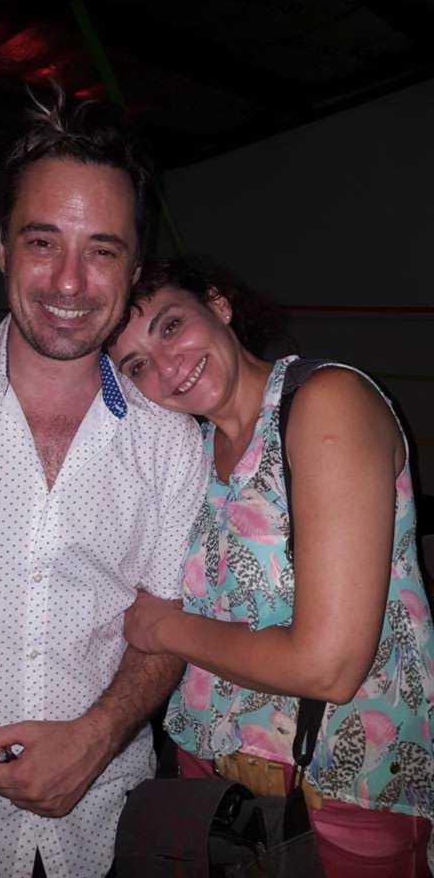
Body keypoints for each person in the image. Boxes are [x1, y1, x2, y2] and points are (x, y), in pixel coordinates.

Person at [0, 100, 208, 878]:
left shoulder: (171, 442)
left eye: (102, 251)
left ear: (133, 272)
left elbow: (165, 624)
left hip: (106, 827)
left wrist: (97, 737)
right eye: (43, 242)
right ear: (2, 248)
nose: (70, 281)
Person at [108, 256, 434, 877]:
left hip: (340, 788)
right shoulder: (189, 452)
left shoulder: (326, 402)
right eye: (137, 365)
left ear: (218, 305)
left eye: (170, 326)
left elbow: (328, 666)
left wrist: (162, 627)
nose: (167, 367)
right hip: (212, 787)